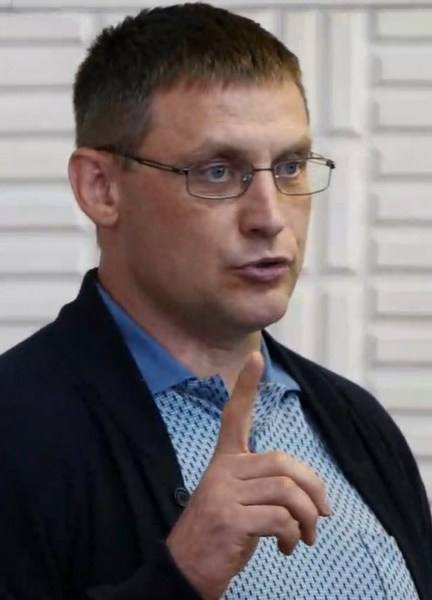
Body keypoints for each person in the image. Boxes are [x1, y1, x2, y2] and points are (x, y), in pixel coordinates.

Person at [0, 3, 431, 599]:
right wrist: (181, 576)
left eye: (290, 166)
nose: (270, 217)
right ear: (101, 188)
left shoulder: (358, 424)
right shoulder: (16, 429)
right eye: (217, 172)